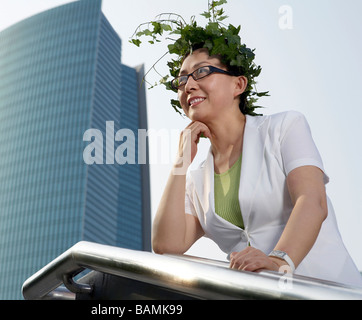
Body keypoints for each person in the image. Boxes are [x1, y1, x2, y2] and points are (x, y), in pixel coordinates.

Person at [152, 46, 362, 287]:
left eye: (201, 72)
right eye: (181, 79)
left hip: (327, 288)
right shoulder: (197, 180)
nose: (188, 85)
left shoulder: (284, 127)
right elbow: (166, 245)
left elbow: (312, 201)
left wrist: (278, 261)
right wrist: (181, 161)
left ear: (238, 85)